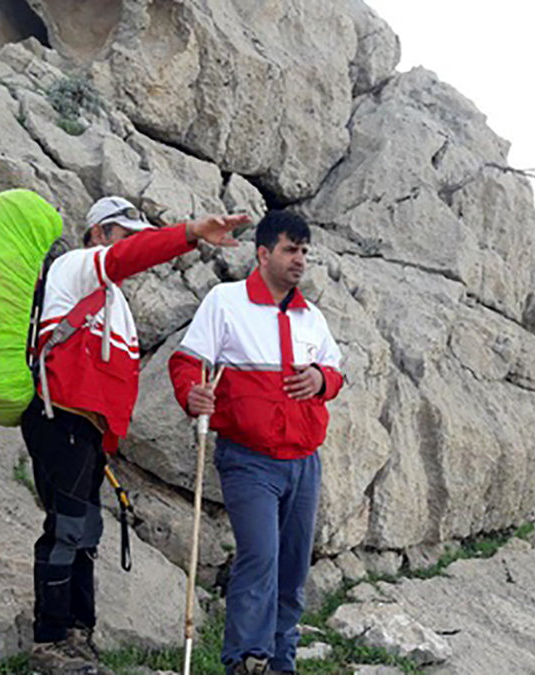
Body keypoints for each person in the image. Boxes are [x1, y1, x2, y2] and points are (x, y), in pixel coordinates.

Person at [24, 196, 248, 674]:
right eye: (126, 235)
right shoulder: (77, 267)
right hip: (60, 415)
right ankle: (49, 641)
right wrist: (189, 232)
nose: (134, 247)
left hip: (88, 428)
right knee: (66, 529)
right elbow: (129, 258)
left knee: (85, 531)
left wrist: (107, 441)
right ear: (100, 234)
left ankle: (77, 635)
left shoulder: (113, 300)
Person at [169, 210, 343, 675]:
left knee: (292, 570)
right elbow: (187, 361)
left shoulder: (312, 316)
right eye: (290, 249)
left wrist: (321, 379)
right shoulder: (226, 302)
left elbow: (336, 371)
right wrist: (192, 393)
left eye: (304, 251)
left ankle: (281, 663)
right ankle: (247, 660)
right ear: (263, 253)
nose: (300, 260)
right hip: (249, 459)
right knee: (260, 558)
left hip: (305, 461)